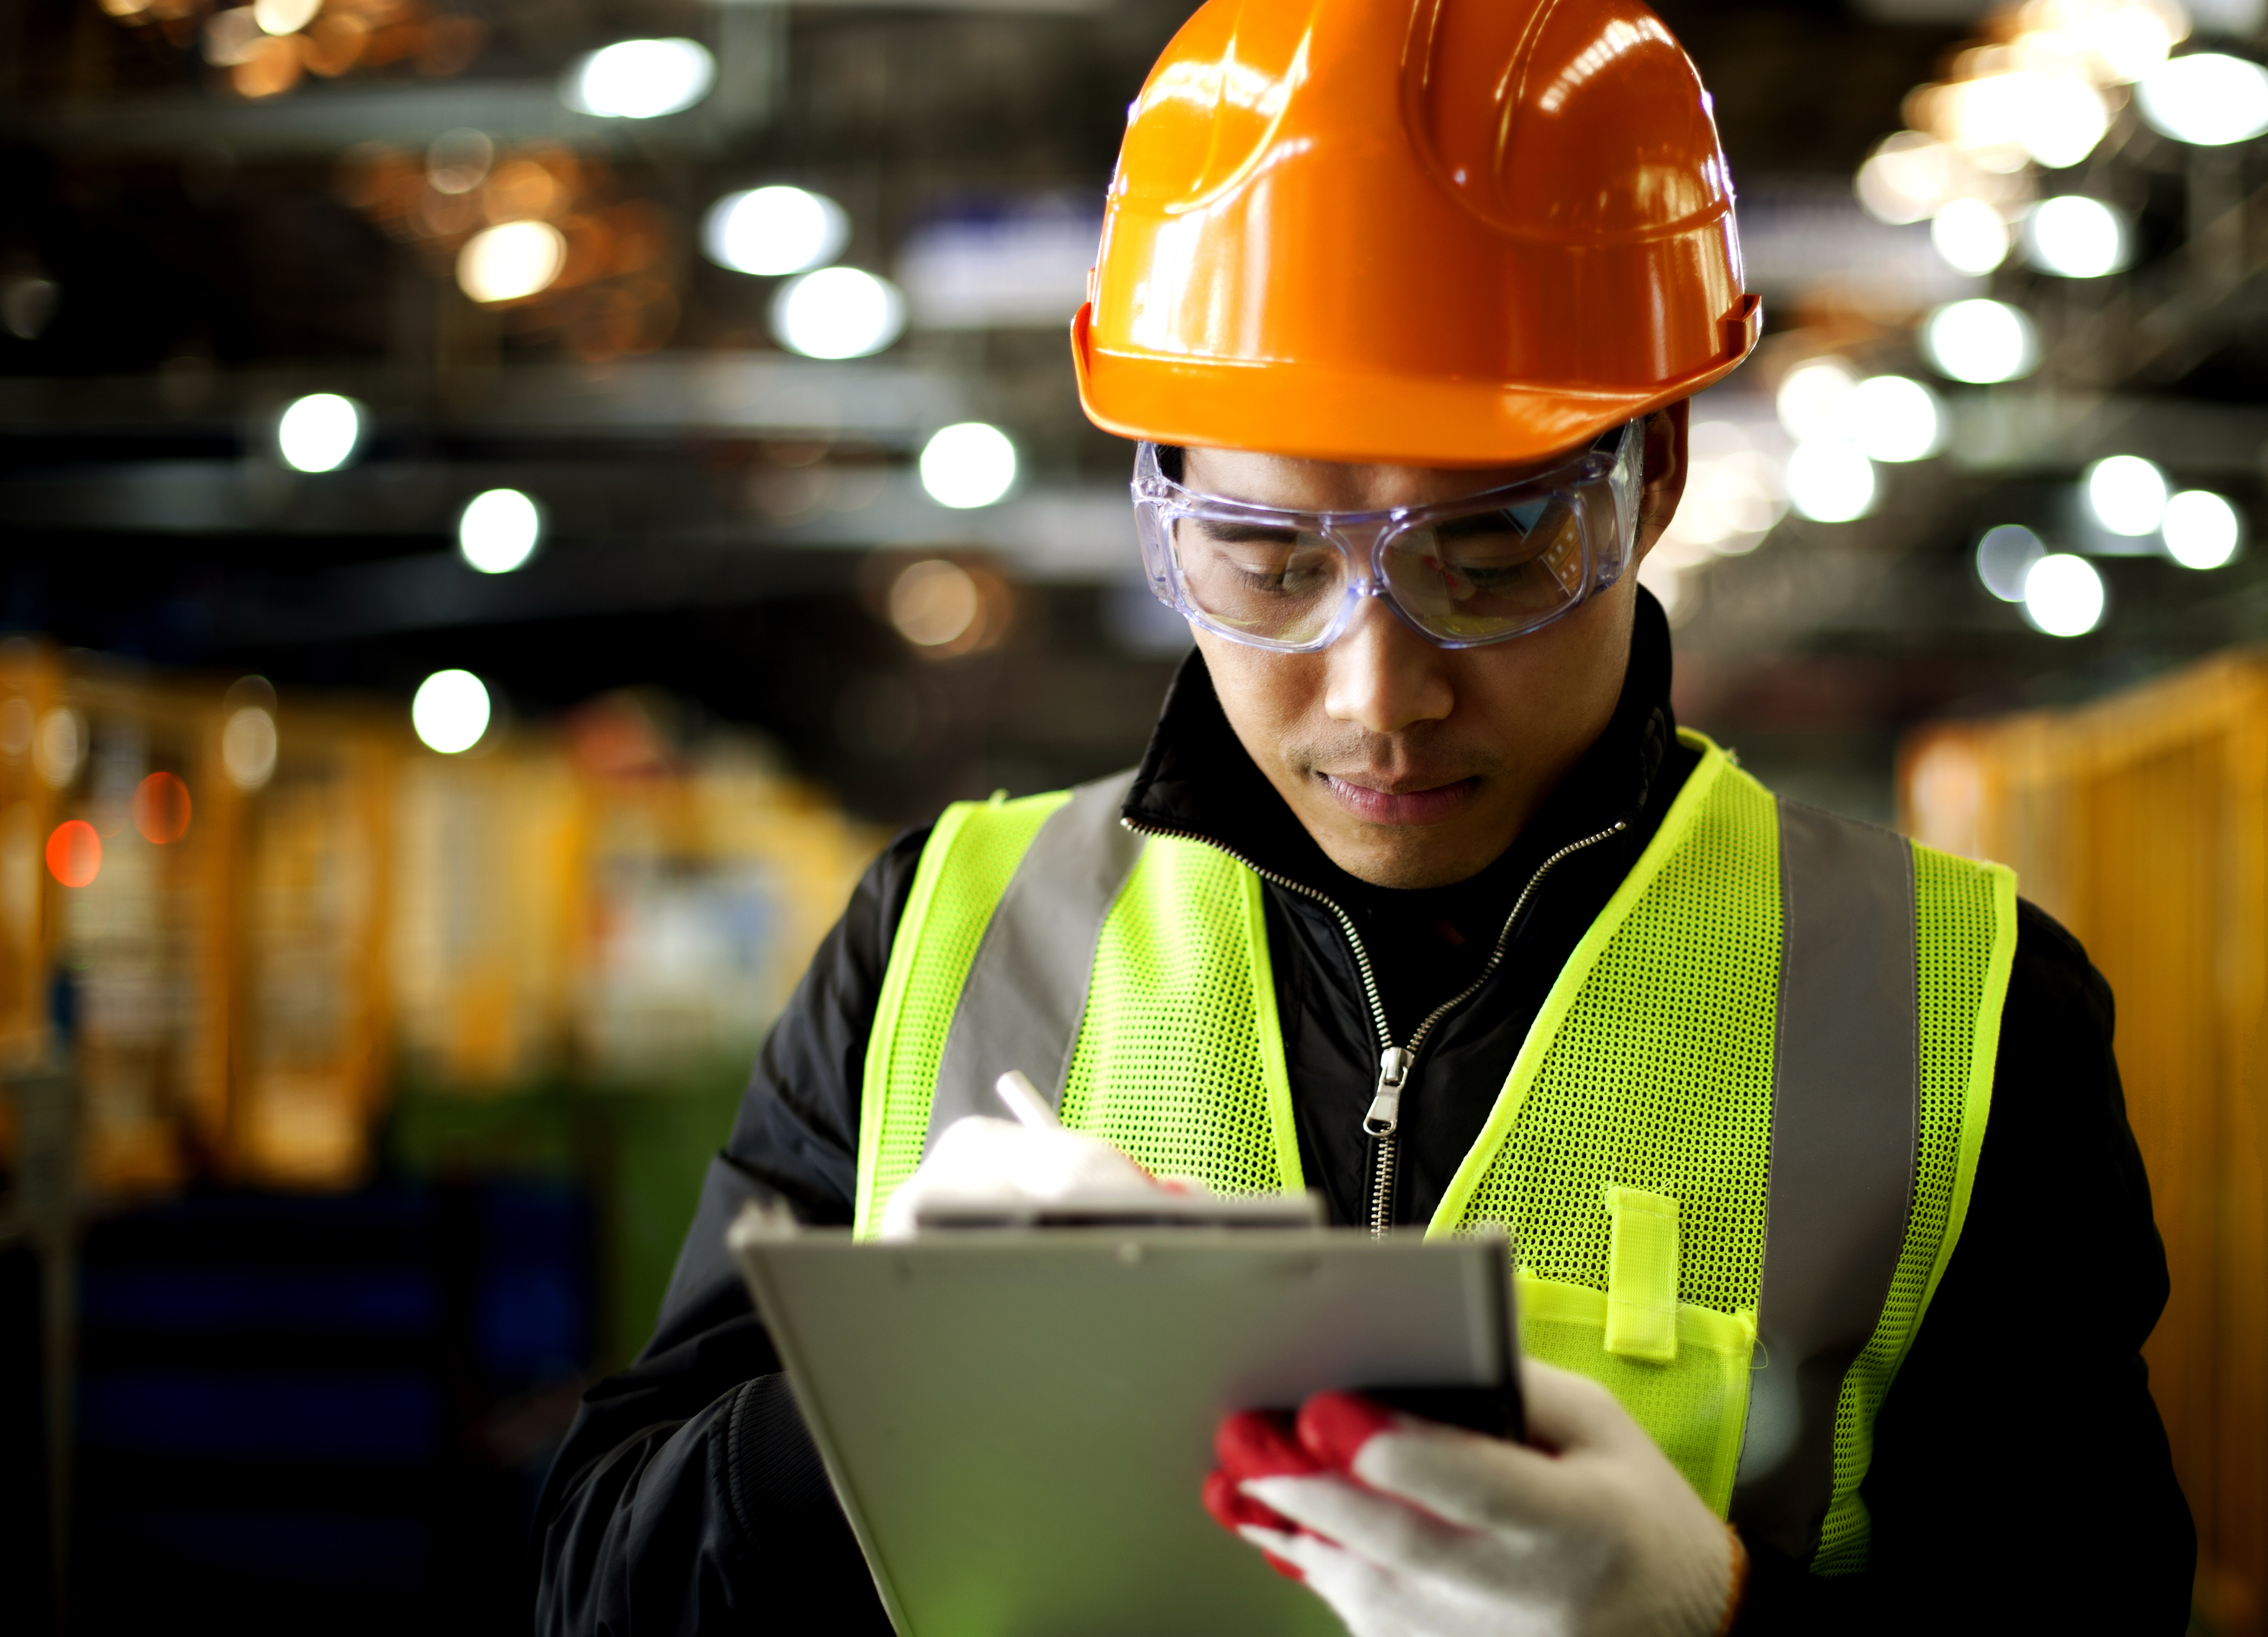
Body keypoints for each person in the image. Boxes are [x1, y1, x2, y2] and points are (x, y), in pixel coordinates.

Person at [533, 0, 2195, 1630]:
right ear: (1164, 502)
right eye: (1267, 560)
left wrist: (1712, 1615)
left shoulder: (1959, 1018)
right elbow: (596, 1578)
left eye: (1494, 552)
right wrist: (861, 1411)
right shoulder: (934, 949)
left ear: (1659, 475)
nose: (1379, 694)